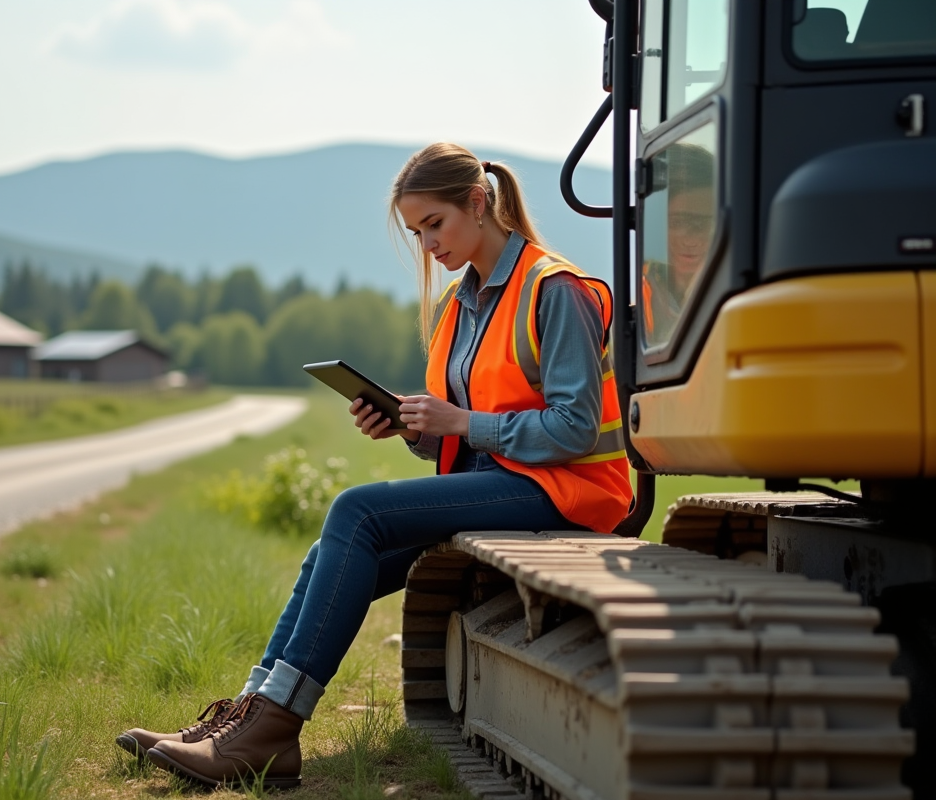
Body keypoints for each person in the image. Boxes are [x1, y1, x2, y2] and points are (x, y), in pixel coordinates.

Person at [116, 142, 633, 789]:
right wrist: (410, 428)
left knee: (356, 512)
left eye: (434, 225)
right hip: (495, 483)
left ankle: (273, 727)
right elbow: (466, 434)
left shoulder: (555, 291)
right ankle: (248, 718)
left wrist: (459, 422)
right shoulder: (462, 305)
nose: (427, 245)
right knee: (328, 551)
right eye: (416, 233)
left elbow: (576, 426)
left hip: (569, 493)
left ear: (478, 203)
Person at [641, 142, 717, 346]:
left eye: (704, 224)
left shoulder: (735, 293)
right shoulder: (640, 296)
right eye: (677, 222)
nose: (691, 240)